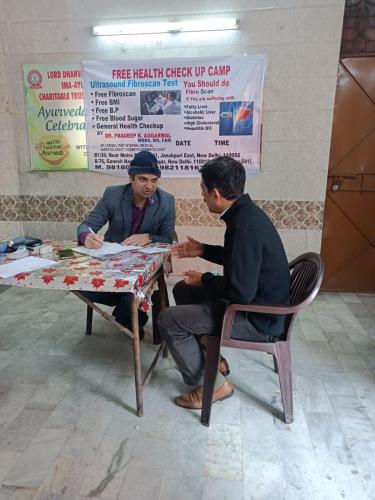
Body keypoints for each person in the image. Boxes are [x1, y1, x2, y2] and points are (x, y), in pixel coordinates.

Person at [157, 155, 290, 409]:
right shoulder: (244, 215)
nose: (203, 197)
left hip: (257, 318)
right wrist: (203, 250)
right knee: (183, 290)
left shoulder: (244, 227)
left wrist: (205, 279)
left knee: (168, 319)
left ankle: (213, 384)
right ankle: (213, 360)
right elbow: (239, 260)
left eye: (203, 192)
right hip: (259, 306)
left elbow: (240, 292)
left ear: (215, 194)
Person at [77, 150, 175, 337]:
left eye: (154, 180)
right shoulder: (113, 195)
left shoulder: (166, 202)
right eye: (143, 179)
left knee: (131, 288)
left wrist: (149, 237)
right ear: (131, 178)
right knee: (80, 282)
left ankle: (127, 315)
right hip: (112, 262)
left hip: (142, 266)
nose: (149, 186)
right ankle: (129, 314)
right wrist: (86, 237)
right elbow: (87, 225)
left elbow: (167, 239)